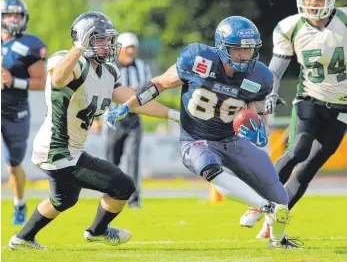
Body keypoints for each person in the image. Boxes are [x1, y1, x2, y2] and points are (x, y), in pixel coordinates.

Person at [107, 16, 302, 249]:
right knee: (210, 167)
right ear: (221, 47)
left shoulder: (259, 77)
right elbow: (159, 83)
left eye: (248, 49)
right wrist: (127, 105)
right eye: (237, 48)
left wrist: (261, 126)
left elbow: (255, 107)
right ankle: (263, 206)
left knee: (278, 193)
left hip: (232, 139)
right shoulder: (197, 60)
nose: (243, 54)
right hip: (197, 140)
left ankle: (278, 241)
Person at [8, 11, 179, 250]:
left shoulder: (108, 72)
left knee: (63, 199)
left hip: (67, 150)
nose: (107, 45)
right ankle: (97, 231)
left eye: (108, 39)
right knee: (124, 186)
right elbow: (57, 79)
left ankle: (22, 238)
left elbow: (134, 100)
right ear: (83, 38)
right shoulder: (69, 62)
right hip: (59, 150)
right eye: (99, 39)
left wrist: (173, 115)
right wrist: (78, 47)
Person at [240, 0, 347, 239]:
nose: (312, 3)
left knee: (309, 168)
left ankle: (273, 221)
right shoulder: (291, 27)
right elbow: (275, 71)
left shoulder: (344, 21)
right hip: (309, 99)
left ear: (330, 0)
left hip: (343, 107)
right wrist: (271, 93)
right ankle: (257, 200)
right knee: (298, 150)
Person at [92, 32, 152, 208]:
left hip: (134, 119)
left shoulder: (142, 67)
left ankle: (133, 199)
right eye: (128, 48)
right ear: (120, 49)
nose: (131, 51)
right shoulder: (109, 67)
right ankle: (109, 195)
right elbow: (100, 94)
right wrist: (96, 118)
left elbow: (149, 90)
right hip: (113, 119)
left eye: (134, 47)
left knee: (133, 160)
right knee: (112, 160)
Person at [1, 0, 47, 225]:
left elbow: (42, 81)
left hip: (14, 111)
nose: (14, 19)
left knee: (13, 164)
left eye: (18, 15)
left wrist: (13, 81)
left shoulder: (29, 45)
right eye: (10, 14)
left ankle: (19, 202)